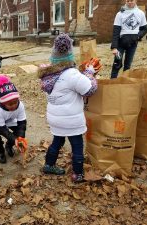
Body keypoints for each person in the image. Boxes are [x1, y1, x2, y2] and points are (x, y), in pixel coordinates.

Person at [38, 33, 101, 183]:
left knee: (57, 142)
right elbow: (89, 89)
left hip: (55, 119)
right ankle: (77, 174)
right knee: (77, 145)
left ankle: (49, 165)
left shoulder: (49, 74)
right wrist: (90, 74)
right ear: (69, 57)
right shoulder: (72, 74)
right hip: (71, 120)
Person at [0, 75, 28, 164]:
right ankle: (0, 151)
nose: (13, 105)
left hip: (9, 118)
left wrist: (19, 139)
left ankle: (8, 145)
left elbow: (22, 124)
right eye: (9, 104)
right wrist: (15, 139)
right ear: (3, 103)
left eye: (15, 102)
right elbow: (2, 130)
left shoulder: (20, 106)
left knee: (20, 132)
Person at [110, 0, 147, 78]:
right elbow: (116, 31)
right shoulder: (120, 14)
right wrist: (114, 47)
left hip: (133, 44)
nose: (130, 2)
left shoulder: (140, 13)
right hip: (121, 44)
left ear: (135, 1)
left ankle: (125, 83)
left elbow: (145, 29)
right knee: (117, 64)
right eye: (128, 0)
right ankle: (112, 82)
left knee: (127, 66)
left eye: (132, 0)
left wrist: (137, 36)